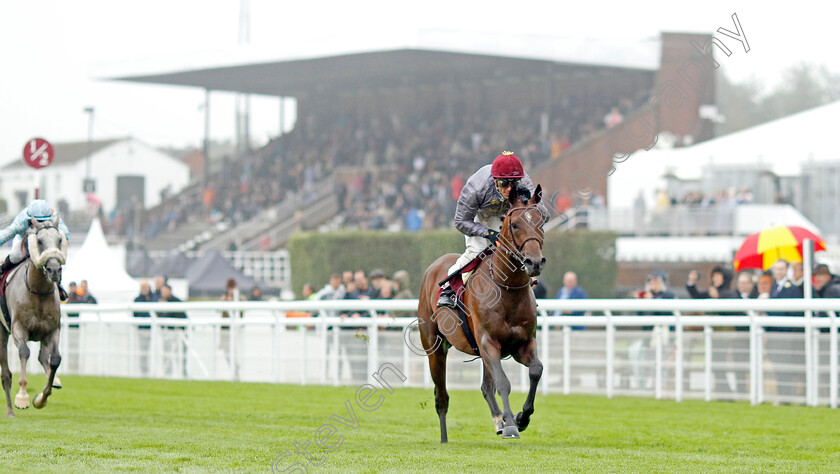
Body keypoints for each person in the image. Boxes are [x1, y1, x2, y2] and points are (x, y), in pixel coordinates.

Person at [438, 151, 549, 307]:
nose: (510, 188)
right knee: (476, 251)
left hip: (508, 214)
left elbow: (545, 215)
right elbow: (460, 221)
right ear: (495, 181)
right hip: (479, 215)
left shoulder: (524, 182)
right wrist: (488, 233)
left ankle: (526, 292)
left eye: (514, 183)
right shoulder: (476, 187)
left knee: (519, 247)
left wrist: (530, 205)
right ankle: (448, 289)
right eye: (504, 183)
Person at [0, 199, 71, 300]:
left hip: (45, 243)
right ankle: (2, 271)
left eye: (44, 221)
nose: (41, 225)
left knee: (54, 260)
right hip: (24, 241)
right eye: (38, 221)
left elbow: (66, 234)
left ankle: (59, 285)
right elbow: (5, 234)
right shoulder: (21, 220)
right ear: (30, 219)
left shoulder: (54, 216)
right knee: (16, 255)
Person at [133, 279, 155, 375]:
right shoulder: (137, 299)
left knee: (154, 351)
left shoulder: (154, 298)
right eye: (142, 287)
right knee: (143, 352)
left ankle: (154, 371)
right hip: (142, 330)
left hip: (154, 330)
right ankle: (144, 372)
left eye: (145, 287)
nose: (144, 289)